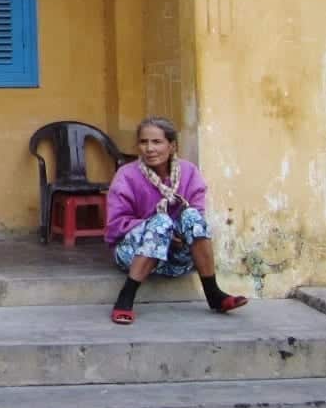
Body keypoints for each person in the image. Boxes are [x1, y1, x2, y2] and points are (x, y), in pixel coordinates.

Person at [105, 116, 247, 325]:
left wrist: (176, 235)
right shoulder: (126, 175)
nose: (149, 149)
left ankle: (214, 294)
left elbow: (196, 218)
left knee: (191, 216)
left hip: (176, 259)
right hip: (133, 253)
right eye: (143, 142)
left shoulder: (189, 172)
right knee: (161, 222)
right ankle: (126, 297)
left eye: (157, 142)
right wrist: (161, 230)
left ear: (172, 145)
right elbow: (116, 225)